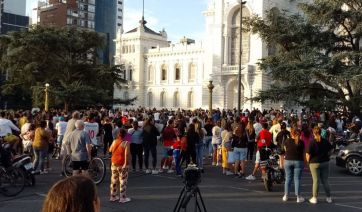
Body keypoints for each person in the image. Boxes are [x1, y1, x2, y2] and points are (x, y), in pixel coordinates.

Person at [306, 126, 333, 204]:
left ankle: (314, 198)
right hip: (325, 162)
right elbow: (331, 150)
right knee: (325, 180)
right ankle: (329, 198)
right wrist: (328, 156)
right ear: (321, 132)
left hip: (314, 163)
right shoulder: (325, 141)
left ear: (313, 133)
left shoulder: (312, 142)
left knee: (316, 181)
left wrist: (308, 162)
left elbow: (308, 154)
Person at [283, 125, 305, 203]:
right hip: (298, 161)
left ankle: (286, 195)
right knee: (297, 179)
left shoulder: (287, 141)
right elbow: (303, 152)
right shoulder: (301, 142)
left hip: (288, 160)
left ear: (291, 133)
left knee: (288, 178)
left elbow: (285, 150)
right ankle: (298, 197)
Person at [109, 128, 131, 203]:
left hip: (114, 162)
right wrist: (126, 163)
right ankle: (122, 198)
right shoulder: (126, 143)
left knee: (114, 180)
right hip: (122, 164)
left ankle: (113, 196)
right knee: (123, 181)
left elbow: (110, 150)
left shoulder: (115, 141)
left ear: (118, 134)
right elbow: (127, 154)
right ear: (125, 135)